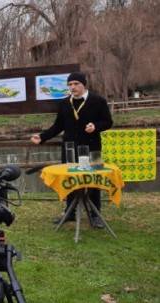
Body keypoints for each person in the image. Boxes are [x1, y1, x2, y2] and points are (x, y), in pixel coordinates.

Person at [30, 72, 113, 228]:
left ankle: (95, 215)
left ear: (84, 84)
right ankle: (70, 213)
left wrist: (95, 126)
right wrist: (42, 137)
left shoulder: (98, 101)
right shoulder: (64, 104)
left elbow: (108, 122)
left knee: (93, 181)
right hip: (70, 148)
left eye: (76, 84)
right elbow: (58, 126)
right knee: (69, 179)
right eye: (70, 84)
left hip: (92, 147)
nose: (72, 87)